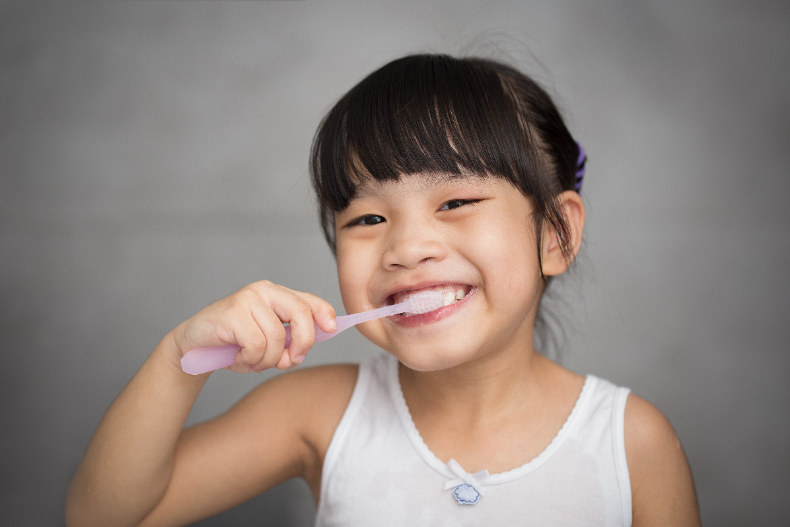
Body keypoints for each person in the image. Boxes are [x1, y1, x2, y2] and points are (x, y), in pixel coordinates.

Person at [65, 54, 700, 526]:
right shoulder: (315, 413)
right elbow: (102, 517)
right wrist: (182, 354)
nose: (406, 248)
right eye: (367, 218)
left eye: (455, 200)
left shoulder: (631, 441)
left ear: (556, 237)